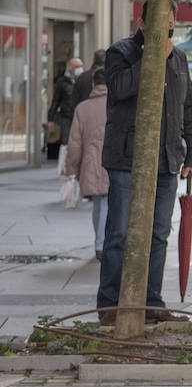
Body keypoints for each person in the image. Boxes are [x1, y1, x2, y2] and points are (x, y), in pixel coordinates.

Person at [97, 5, 192, 326]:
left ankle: (151, 301)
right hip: (127, 158)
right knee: (119, 233)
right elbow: (121, 88)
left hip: (168, 159)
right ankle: (110, 303)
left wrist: (191, 155)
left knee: (159, 233)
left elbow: (188, 111)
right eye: (159, 26)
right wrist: (152, 56)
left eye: (170, 26)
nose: (166, 33)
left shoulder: (179, 59)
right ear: (141, 23)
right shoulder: (120, 52)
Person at [63, 68, 109, 260]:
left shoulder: (82, 108)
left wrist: (71, 168)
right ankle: (106, 242)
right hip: (114, 160)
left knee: (99, 203)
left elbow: (74, 143)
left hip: (91, 162)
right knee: (111, 203)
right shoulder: (118, 105)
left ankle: (99, 243)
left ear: (93, 85)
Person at [47, 56, 82, 161]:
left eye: (81, 66)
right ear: (70, 67)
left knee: (79, 142)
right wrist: (50, 119)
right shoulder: (62, 82)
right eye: (77, 66)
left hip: (80, 117)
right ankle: (63, 167)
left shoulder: (82, 80)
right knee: (66, 142)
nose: (80, 69)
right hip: (66, 116)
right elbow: (55, 100)